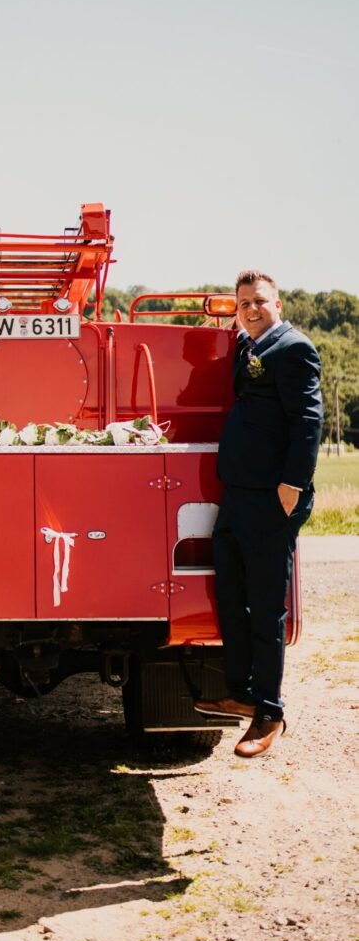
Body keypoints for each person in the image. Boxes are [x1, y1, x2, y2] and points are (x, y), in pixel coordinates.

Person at [195, 271, 323, 757]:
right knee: (230, 595)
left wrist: (293, 485)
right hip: (237, 493)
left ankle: (270, 714)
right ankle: (242, 693)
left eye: (260, 301)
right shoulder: (251, 345)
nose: (251, 309)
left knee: (267, 607)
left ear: (278, 304)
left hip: (272, 497)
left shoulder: (294, 348)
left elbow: (308, 419)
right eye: (244, 302)